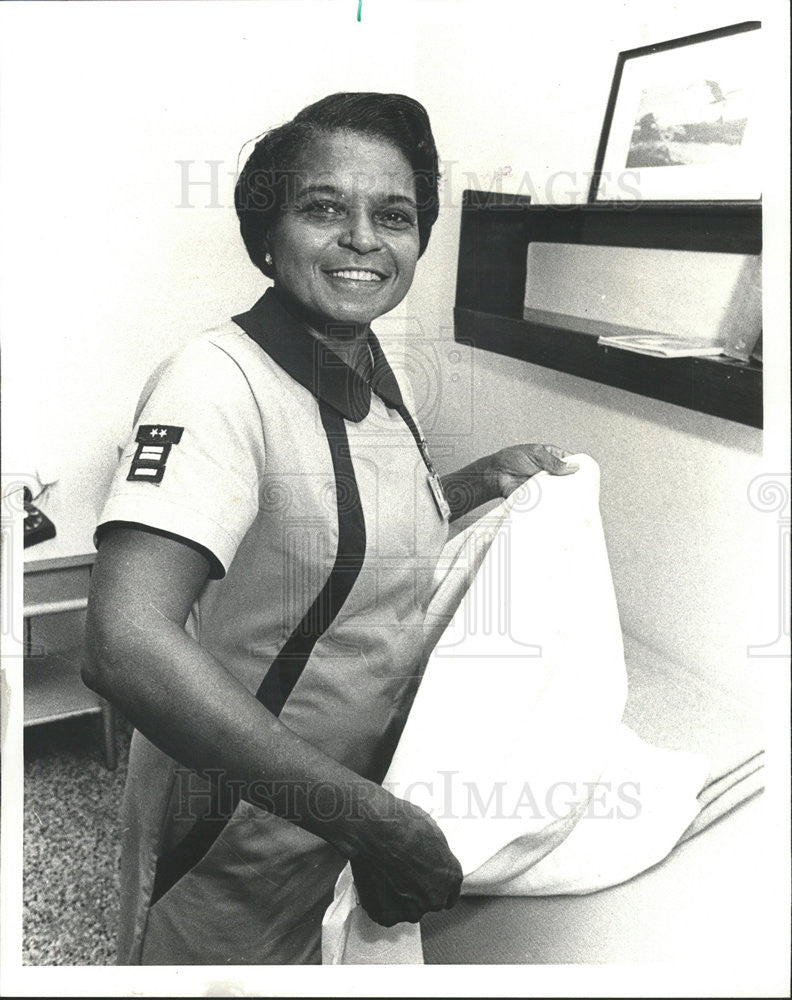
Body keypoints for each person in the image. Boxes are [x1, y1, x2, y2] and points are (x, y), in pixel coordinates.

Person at [84, 91, 577, 965]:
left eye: (394, 215)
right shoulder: (215, 383)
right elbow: (124, 642)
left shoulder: (382, 371)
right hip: (233, 821)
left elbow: (337, 534)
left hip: (339, 806)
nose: (363, 238)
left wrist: (478, 483)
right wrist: (372, 821)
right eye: (323, 209)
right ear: (266, 235)